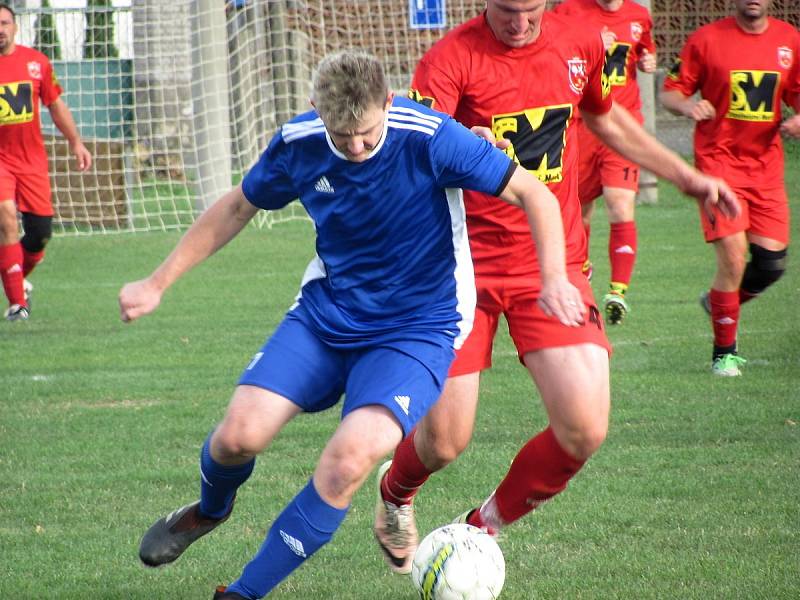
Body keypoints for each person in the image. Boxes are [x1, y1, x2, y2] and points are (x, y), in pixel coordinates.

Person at [119, 50, 583, 600]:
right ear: (317, 110)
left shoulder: (432, 136)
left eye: (366, 133)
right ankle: (208, 511)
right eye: (343, 136)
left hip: (419, 328)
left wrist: (554, 276)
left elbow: (532, 192)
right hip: (328, 314)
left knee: (347, 463)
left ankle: (242, 594)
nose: (356, 147)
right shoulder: (300, 143)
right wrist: (157, 281)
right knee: (238, 436)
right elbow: (237, 207)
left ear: (390, 102)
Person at [373, 0, 740, 575]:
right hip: (459, 265)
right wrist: (460, 145)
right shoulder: (449, 59)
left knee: (584, 428)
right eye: (506, 12)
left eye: (531, 12)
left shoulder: (582, 41)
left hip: (553, 259)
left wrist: (685, 176)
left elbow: (606, 117)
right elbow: (410, 152)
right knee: (444, 442)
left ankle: (480, 529)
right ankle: (395, 494)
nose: (519, 25)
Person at [661, 0, 800, 376]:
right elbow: (669, 93)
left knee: (771, 266)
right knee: (734, 258)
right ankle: (724, 354)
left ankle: (721, 303)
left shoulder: (790, 41)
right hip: (718, 166)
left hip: (766, 170)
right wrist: (689, 106)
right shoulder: (706, 40)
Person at [552, 0, 656, 325]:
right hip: (582, 124)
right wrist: (591, 44)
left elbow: (642, 54)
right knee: (578, 208)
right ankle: (580, 268)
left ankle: (618, 291)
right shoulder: (568, 11)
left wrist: (648, 61)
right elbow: (551, 54)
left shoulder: (639, 16)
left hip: (622, 125)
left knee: (620, 202)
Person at [0, 2, 92, 321]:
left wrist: (76, 142)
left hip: (31, 161)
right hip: (1, 162)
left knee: (39, 233)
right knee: (6, 215)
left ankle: (14, 279)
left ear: (15, 27)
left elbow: (55, 105)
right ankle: (17, 305)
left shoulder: (36, 63)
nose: (0, 29)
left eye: (5, 23)